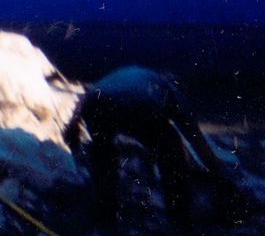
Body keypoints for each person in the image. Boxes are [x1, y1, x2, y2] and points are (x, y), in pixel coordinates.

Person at [63, 66, 236, 226]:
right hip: (138, 103)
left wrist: (73, 125)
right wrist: (215, 167)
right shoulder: (171, 93)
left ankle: (106, 216)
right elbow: (195, 138)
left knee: (104, 153)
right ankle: (180, 218)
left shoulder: (140, 76)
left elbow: (87, 96)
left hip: (96, 102)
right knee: (172, 151)